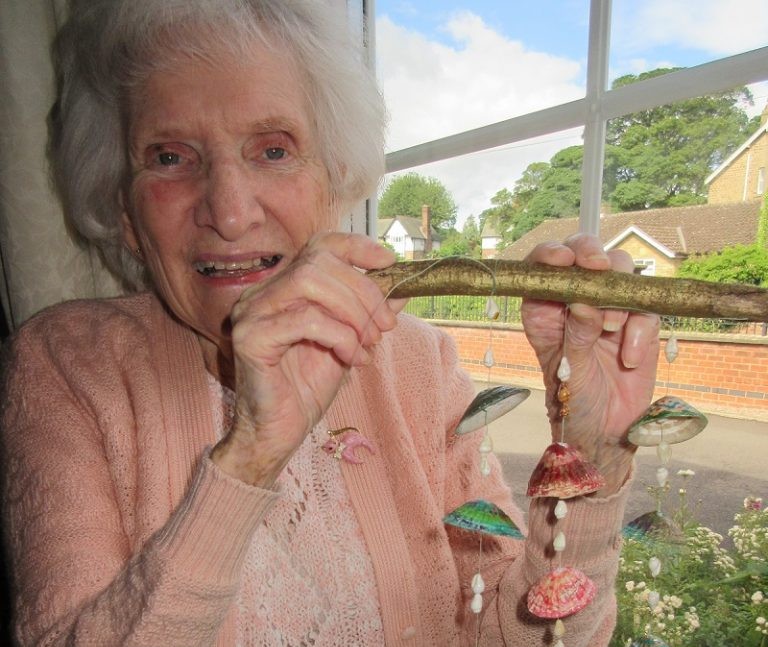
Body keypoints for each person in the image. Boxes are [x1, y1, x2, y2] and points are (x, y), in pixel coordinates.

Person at [0, 0, 660, 645]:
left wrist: (593, 455)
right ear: (124, 211)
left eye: (274, 150)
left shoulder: (419, 363)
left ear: (335, 183)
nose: (230, 212)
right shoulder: (63, 366)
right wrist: (249, 458)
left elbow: (520, 636)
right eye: (170, 156)